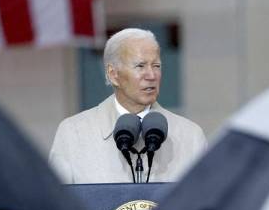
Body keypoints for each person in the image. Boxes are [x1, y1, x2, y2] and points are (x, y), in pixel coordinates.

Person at [49, 28, 206, 184]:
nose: (151, 75)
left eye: (156, 66)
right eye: (140, 66)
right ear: (113, 74)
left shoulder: (190, 137)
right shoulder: (73, 134)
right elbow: (56, 205)